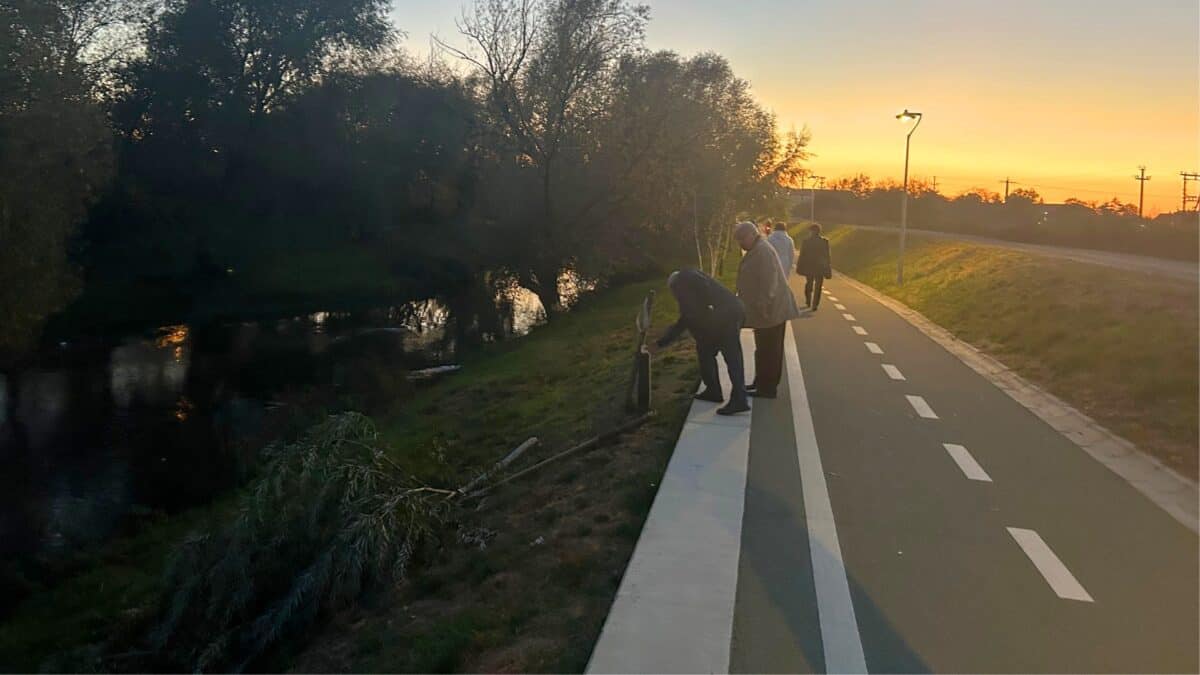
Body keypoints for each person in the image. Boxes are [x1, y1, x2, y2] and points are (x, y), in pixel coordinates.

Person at [654, 269, 750, 415]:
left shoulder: (682, 284)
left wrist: (660, 343)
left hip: (726, 316)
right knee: (705, 350)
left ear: (673, 287)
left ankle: (739, 399)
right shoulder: (692, 276)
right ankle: (713, 391)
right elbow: (693, 312)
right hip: (732, 310)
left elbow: (685, 320)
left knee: (731, 357)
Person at [733, 221, 799, 399]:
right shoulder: (758, 248)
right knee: (763, 348)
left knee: (770, 350)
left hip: (771, 310)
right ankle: (761, 381)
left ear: (750, 235)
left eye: (741, 239)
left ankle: (767, 387)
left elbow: (770, 280)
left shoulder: (762, 251)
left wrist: (763, 303)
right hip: (766, 311)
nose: (740, 244)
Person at [796, 223, 832, 310]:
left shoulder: (806, 242)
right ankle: (815, 304)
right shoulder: (824, 242)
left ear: (811, 231)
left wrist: (799, 266)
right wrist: (828, 267)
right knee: (818, 286)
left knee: (809, 283)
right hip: (820, 267)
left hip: (809, 266)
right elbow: (827, 256)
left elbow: (802, 255)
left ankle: (808, 300)